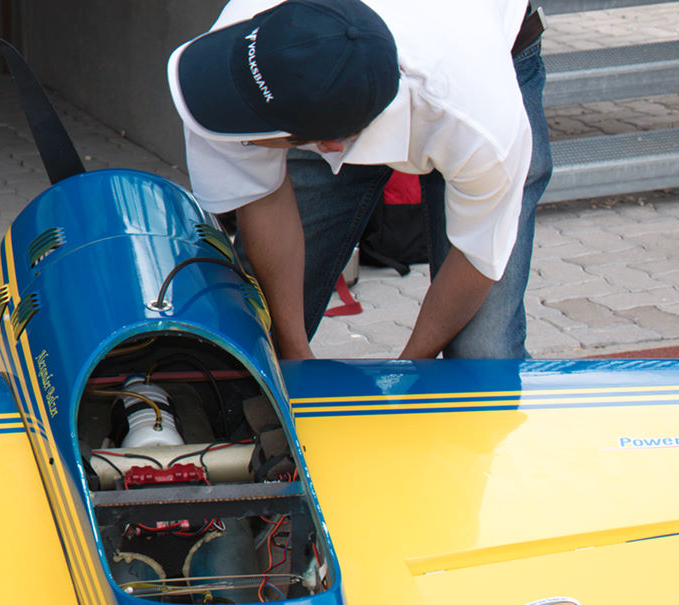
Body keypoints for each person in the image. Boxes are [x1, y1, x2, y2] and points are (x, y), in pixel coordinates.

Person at [167, 0, 552, 359]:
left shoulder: (483, 127)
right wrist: (294, 353)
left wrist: (406, 377)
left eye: (250, 125)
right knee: (256, 335)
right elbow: (263, 200)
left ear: (326, 145)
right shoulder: (237, 49)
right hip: (338, 79)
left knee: (484, 353)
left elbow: (477, 256)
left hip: (479, 58)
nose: (230, 116)